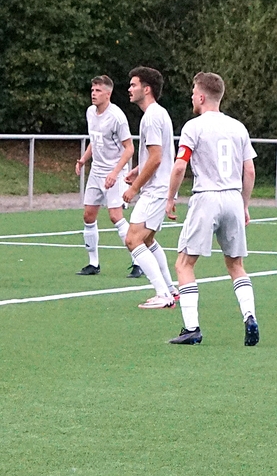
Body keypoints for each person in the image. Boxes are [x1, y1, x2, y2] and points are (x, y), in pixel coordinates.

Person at [165, 72, 259, 346]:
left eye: (194, 92)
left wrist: (170, 198)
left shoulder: (194, 127)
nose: (191, 96)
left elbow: (180, 166)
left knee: (184, 263)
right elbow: (249, 171)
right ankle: (250, 316)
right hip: (232, 197)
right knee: (236, 265)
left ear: (202, 97)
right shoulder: (238, 127)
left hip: (206, 197)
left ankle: (191, 328)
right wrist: (244, 205)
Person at [121, 66, 179, 308]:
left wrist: (134, 188)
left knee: (132, 239)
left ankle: (163, 294)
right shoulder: (158, 113)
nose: (129, 89)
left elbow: (156, 158)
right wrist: (137, 169)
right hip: (160, 187)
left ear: (147, 89)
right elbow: (157, 155)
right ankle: (171, 290)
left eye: (133, 85)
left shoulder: (152, 117)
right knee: (147, 240)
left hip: (155, 190)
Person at [74, 75, 138, 276]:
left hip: (115, 172)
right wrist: (83, 159)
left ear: (108, 94)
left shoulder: (117, 117)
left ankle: (138, 261)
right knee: (88, 215)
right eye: (92, 90)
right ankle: (93, 263)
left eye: (98, 91)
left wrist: (115, 172)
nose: (93, 94)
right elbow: (95, 140)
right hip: (97, 171)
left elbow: (129, 148)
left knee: (115, 216)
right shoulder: (90, 113)